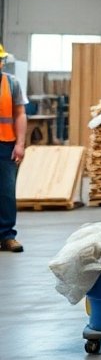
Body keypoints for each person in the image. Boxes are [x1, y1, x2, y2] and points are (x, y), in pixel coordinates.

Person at [0, 44, 27, 253]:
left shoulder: (11, 83)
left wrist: (19, 143)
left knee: (6, 193)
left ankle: (7, 236)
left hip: (5, 145)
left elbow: (19, 114)